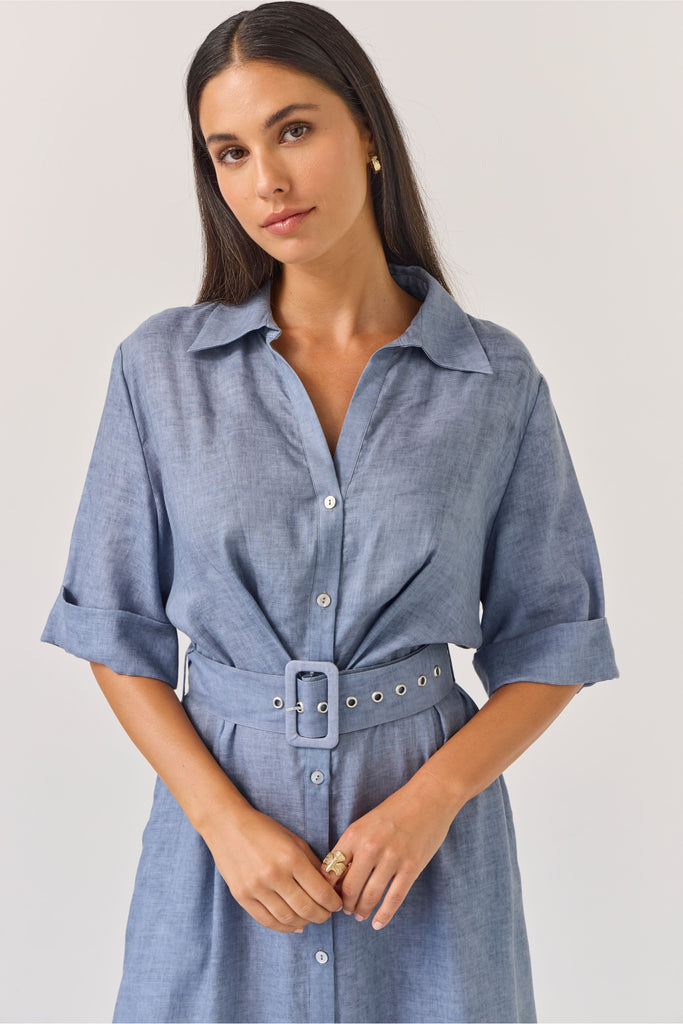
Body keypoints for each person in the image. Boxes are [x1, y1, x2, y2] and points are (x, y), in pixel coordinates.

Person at [40, 3, 619, 1022]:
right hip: (225, 860)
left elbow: (551, 641)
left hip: (423, 866)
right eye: (229, 151)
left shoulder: (491, 379)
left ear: (366, 133)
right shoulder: (160, 371)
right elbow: (114, 630)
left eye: (293, 129)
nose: (264, 179)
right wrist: (222, 824)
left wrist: (429, 801)